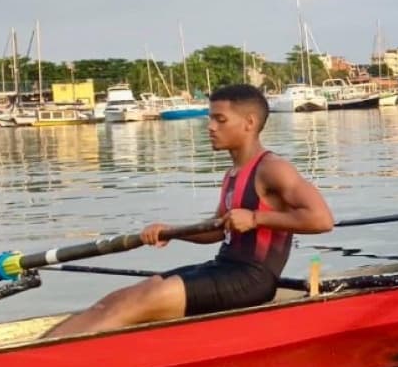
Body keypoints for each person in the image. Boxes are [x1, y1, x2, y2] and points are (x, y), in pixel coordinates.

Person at [44, 85, 334, 338]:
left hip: (252, 280)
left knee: (141, 302)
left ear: (249, 122)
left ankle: (49, 363)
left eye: (220, 119)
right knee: (116, 299)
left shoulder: (273, 168)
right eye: (210, 118)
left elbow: (321, 219)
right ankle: (32, 351)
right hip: (223, 267)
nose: (210, 127)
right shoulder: (233, 173)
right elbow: (218, 228)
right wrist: (171, 231)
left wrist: (257, 218)